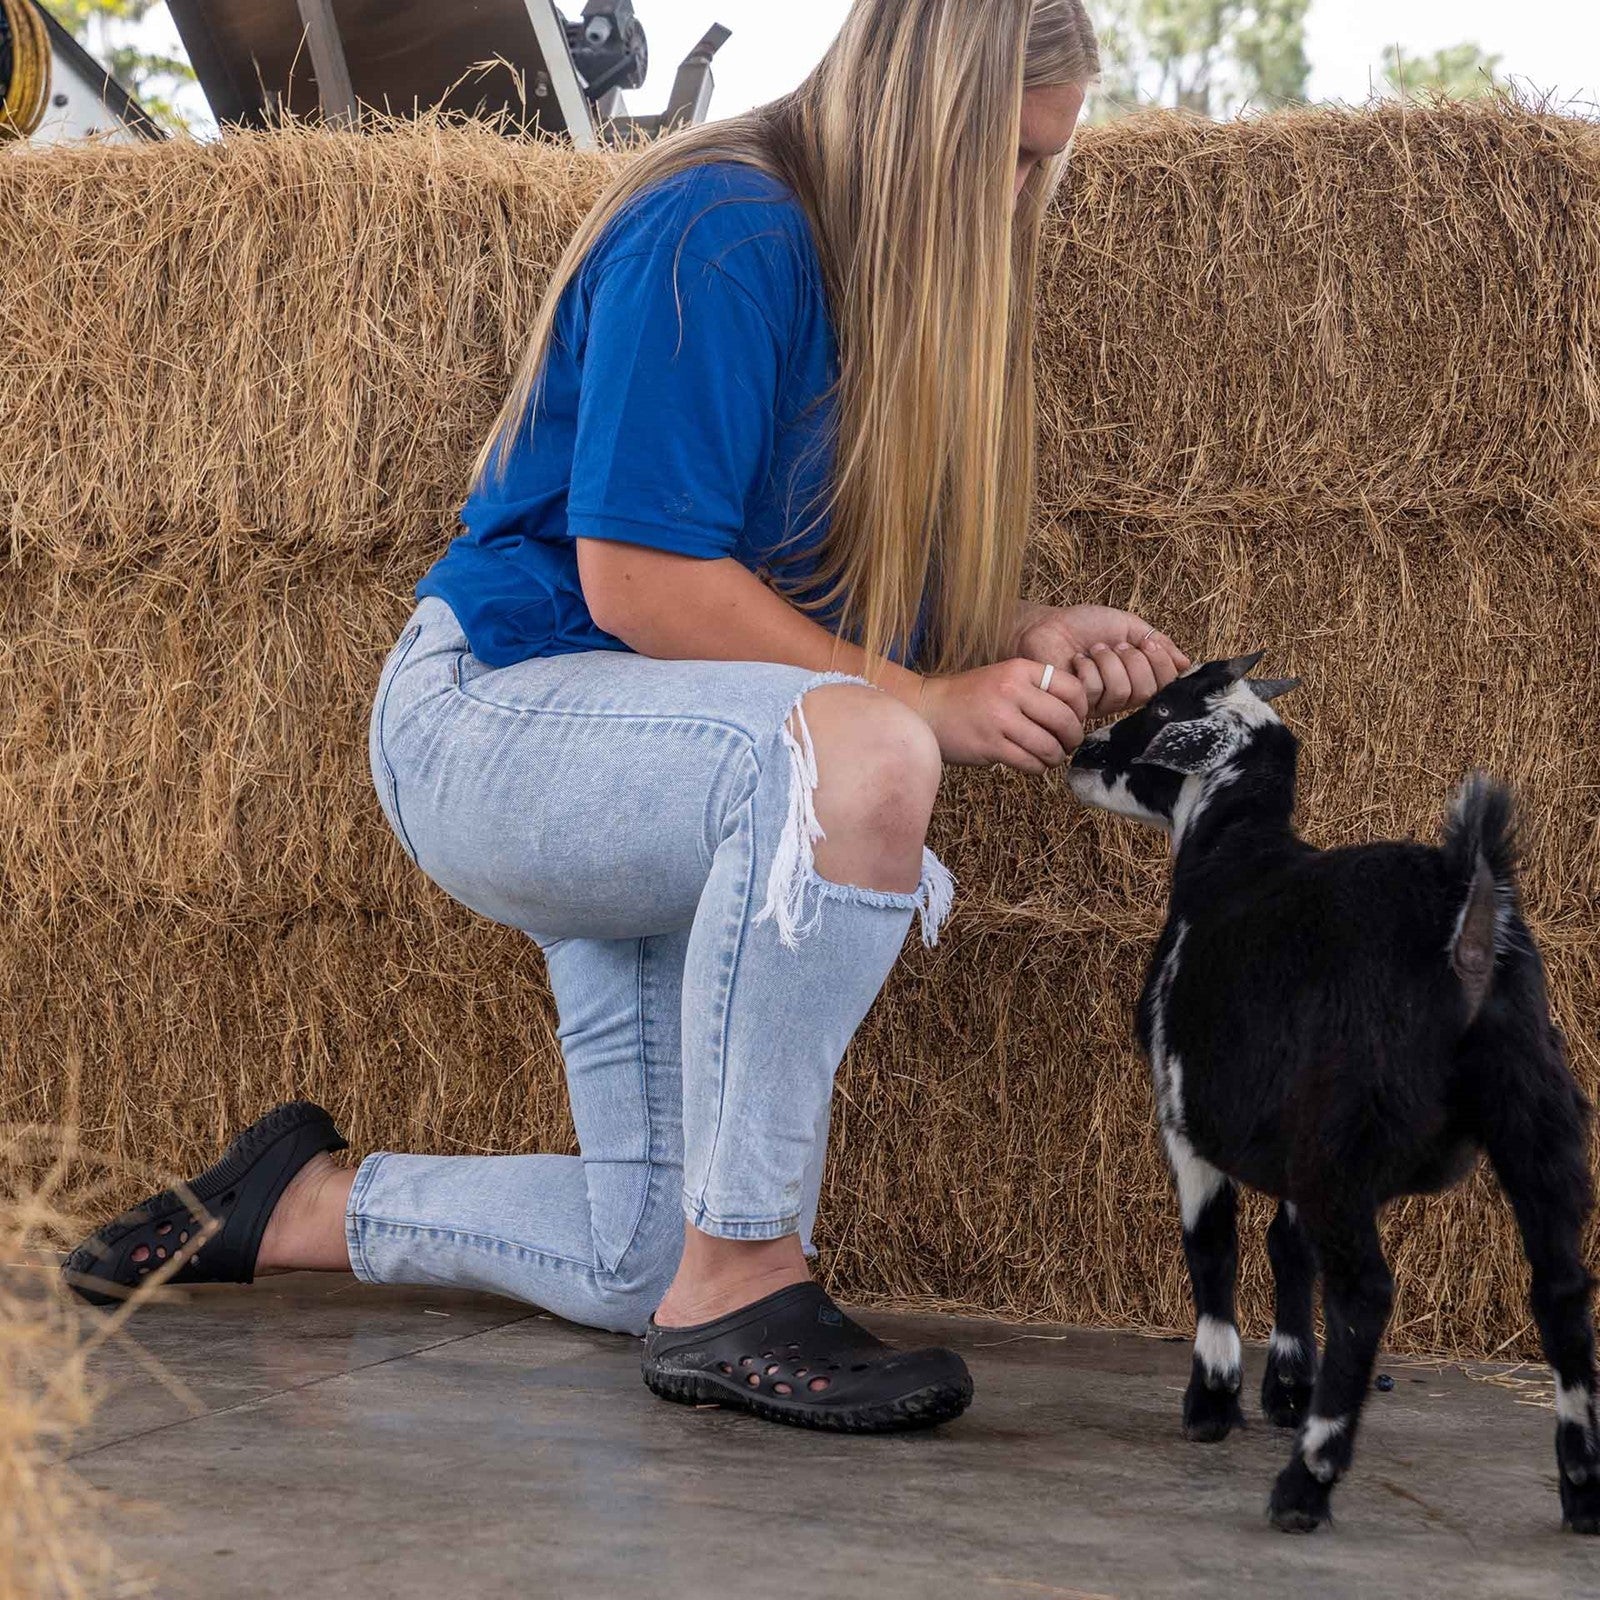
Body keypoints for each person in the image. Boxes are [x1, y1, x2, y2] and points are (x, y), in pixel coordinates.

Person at [64, 0, 1189, 1434]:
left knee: (640, 1253)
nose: (1030, 198)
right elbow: (645, 580)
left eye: (1047, 163)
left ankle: (300, 1205)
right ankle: (746, 1283)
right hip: (500, 720)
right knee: (868, 753)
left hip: (681, 760)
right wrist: (923, 701)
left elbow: (804, 607)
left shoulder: (882, 282)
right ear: (925, 125)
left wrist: (1014, 634)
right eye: (1013, 160)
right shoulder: (725, 226)